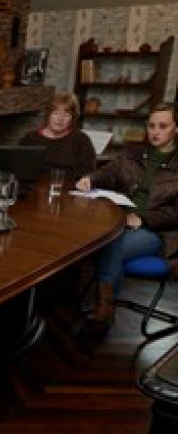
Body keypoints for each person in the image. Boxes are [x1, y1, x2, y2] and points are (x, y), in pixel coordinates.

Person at [75, 102, 178, 334]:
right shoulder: (134, 153)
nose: (156, 131)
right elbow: (110, 172)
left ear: (175, 129)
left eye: (163, 126)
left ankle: (103, 310)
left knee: (109, 246)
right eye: (152, 126)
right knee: (102, 239)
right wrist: (91, 179)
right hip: (121, 221)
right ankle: (103, 308)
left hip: (159, 232)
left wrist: (144, 220)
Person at [19, 93, 96, 182]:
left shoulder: (81, 140)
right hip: (34, 189)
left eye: (67, 115)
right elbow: (20, 171)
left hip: (68, 189)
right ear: (48, 115)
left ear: (73, 118)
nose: (60, 119)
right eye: (56, 113)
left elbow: (87, 174)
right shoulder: (30, 139)